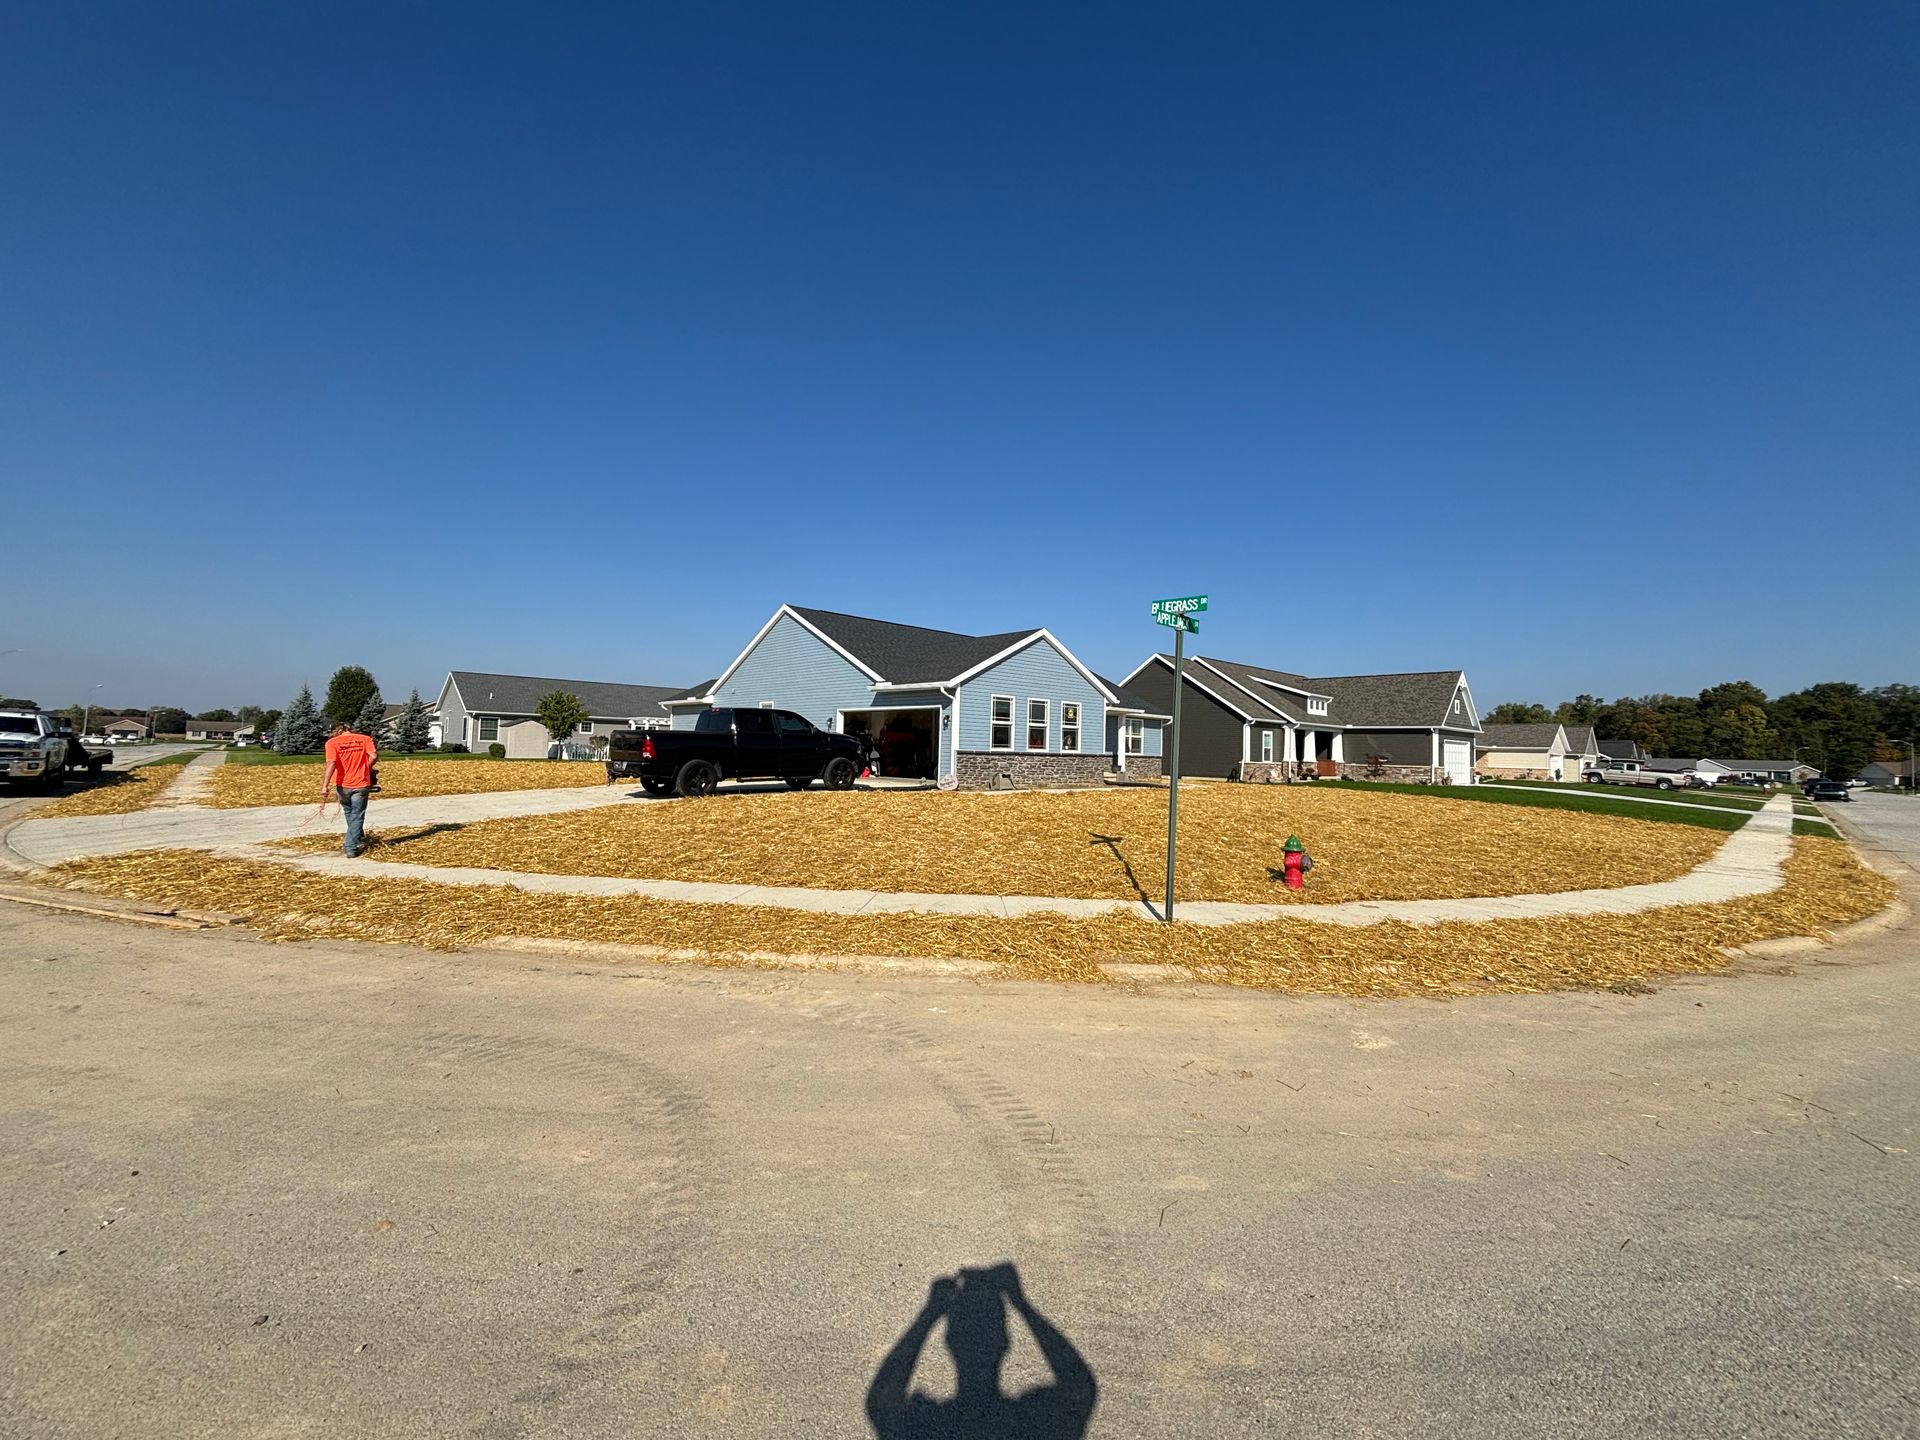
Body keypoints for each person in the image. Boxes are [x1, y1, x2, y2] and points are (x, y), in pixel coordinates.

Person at [322, 719, 378, 858]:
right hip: (361, 783)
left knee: (349, 812)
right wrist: (367, 767)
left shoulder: (332, 743)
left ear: (337, 730)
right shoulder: (364, 739)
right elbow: (374, 755)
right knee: (357, 814)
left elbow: (331, 764)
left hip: (343, 785)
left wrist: (325, 786)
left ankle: (353, 842)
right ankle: (352, 845)